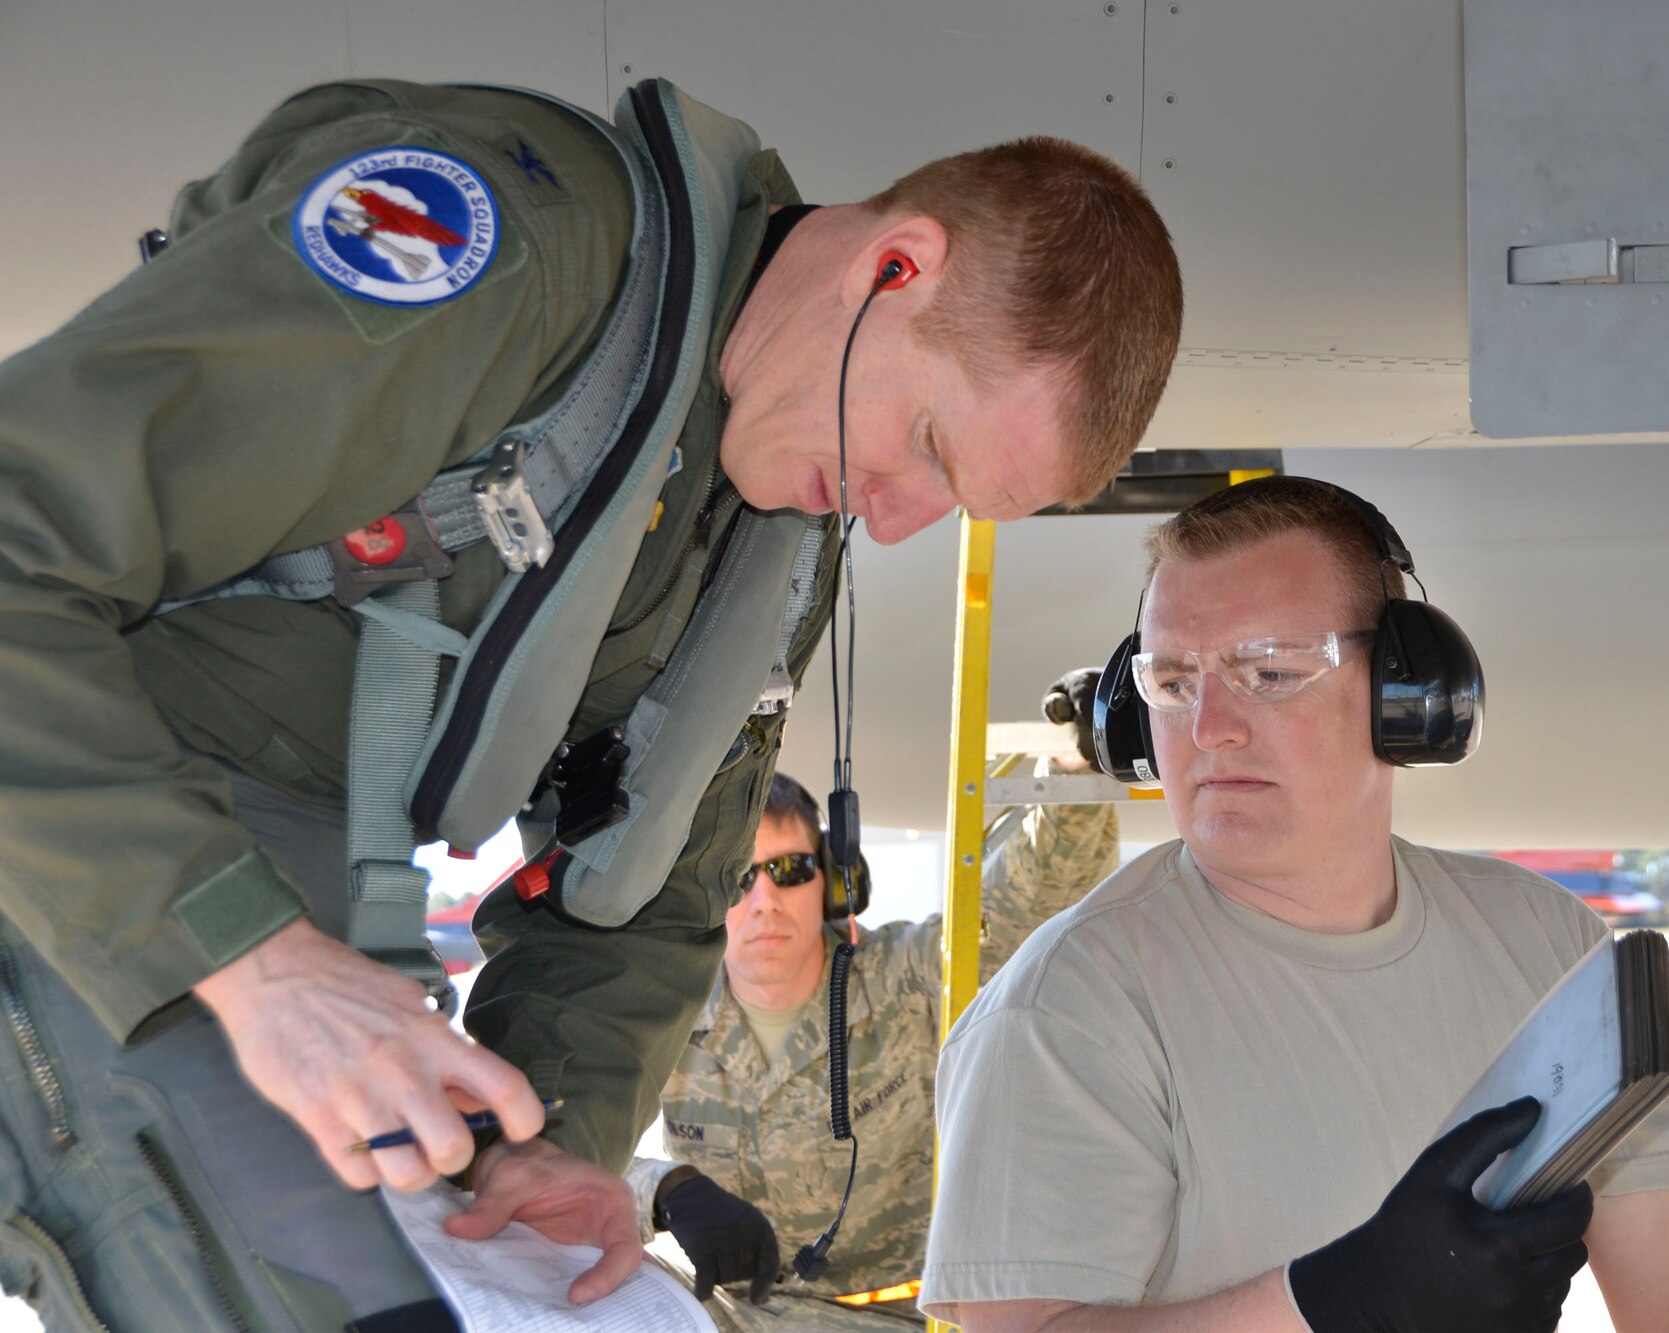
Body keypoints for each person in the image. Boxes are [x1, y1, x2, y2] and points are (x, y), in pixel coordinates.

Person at [0, 74, 1180, 1331]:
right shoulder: (513, 251)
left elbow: (648, 885)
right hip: (88, 806)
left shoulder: (767, 533)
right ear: (896, 266)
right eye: (931, 452)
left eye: (950, 504)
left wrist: (542, 1140)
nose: (892, 517)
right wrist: (252, 959)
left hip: (283, 892)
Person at [923, 477, 1669, 1332]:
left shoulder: (1547, 945)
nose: (1209, 725)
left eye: (1269, 672)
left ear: (1402, 691)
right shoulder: (1068, 1006)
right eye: (1173, 683)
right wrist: (1336, 1302)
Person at [628, 727, 1118, 1327]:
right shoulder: (664, 1010)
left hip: (888, 1317)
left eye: (789, 869)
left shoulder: (904, 978)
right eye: (737, 877)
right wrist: (664, 1189)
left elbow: (1020, 906)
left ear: (835, 883)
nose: (764, 901)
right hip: (729, 1314)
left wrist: (1075, 764)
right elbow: (564, 1159)